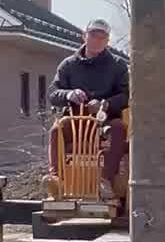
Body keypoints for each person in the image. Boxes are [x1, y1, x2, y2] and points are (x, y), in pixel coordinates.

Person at [48, 19, 129, 196]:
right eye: (93, 35)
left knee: (119, 129)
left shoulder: (118, 65)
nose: (97, 40)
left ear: (108, 41)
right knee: (57, 130)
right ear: (84, 36)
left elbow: (126, 96)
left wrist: (105, 104)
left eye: (103, 36)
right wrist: (69, 94)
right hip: (75, 121)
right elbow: (53, 93)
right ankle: (55, 180)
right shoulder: (68, 65)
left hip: (104, 122)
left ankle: (105, 180)